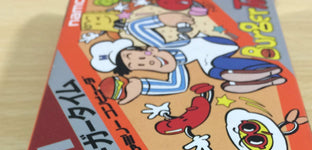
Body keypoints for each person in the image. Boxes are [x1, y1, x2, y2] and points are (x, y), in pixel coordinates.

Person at [90, 12, 285, 104]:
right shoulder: (176, 67)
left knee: (219, 64)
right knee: (216, 72)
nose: (139, 61)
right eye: (133, 65)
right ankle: (263, 78)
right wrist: (142, 86)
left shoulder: (158, 45)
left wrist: (162, 19)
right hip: (205, 61)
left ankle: (261, 70)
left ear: (140, 48)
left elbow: (135, 27)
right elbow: (177, 86)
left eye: (131, 55)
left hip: (209, 44)